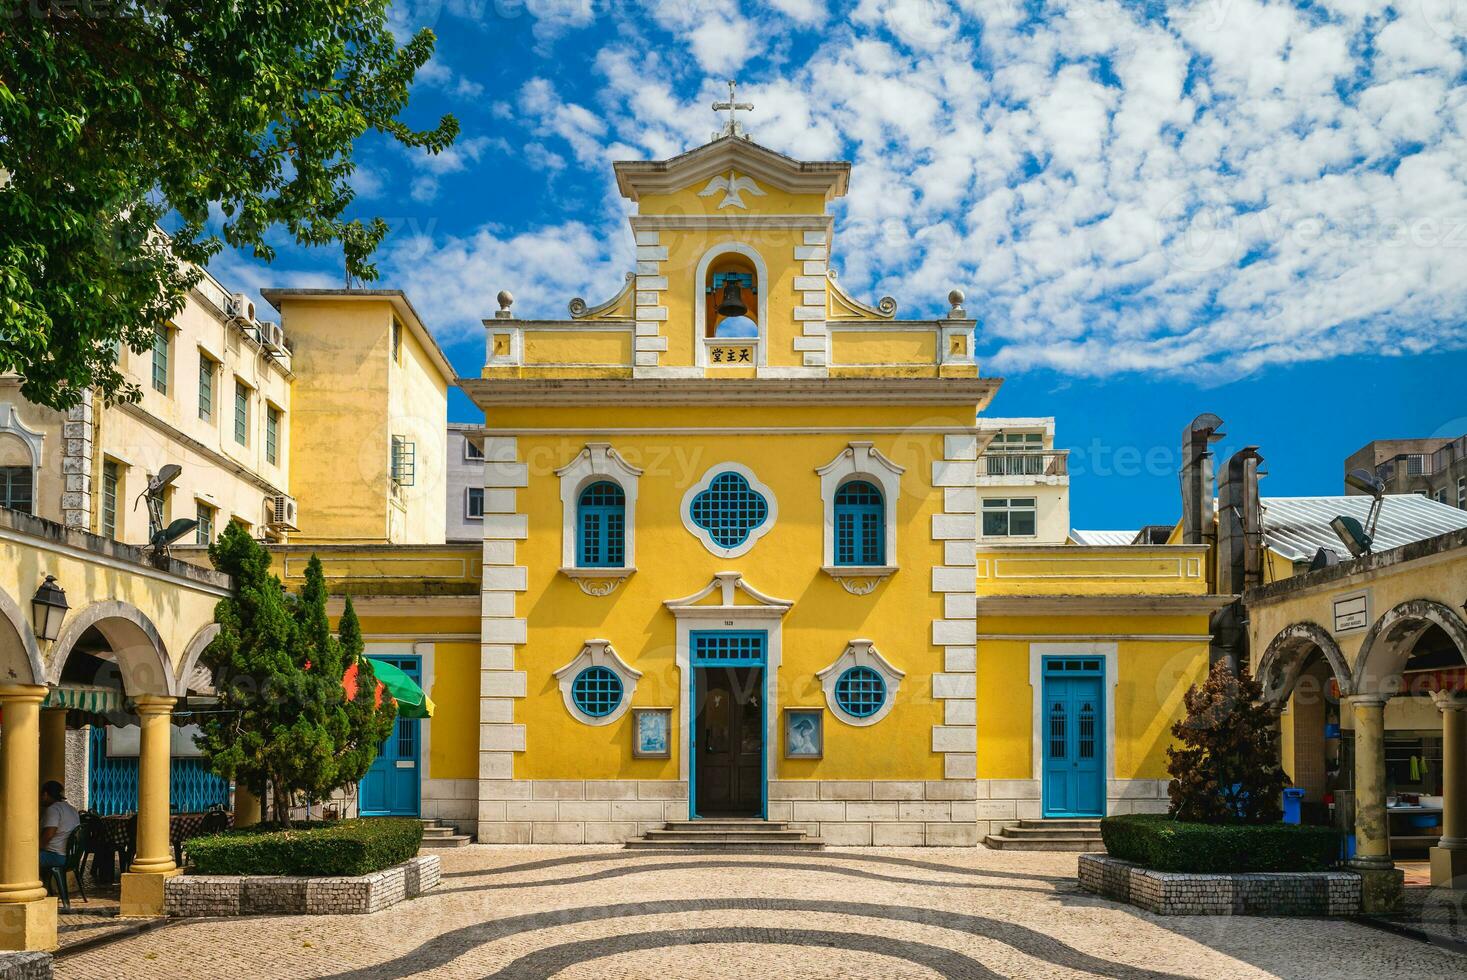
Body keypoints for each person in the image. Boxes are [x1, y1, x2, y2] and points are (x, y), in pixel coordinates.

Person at [39, 780, 79, 872]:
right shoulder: (72, 809)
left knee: (22, 858)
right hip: (71, 857)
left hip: (56, 856)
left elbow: (49, 834)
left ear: (45, 794)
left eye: (41, 796)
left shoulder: (53, 809)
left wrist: (35, 848)